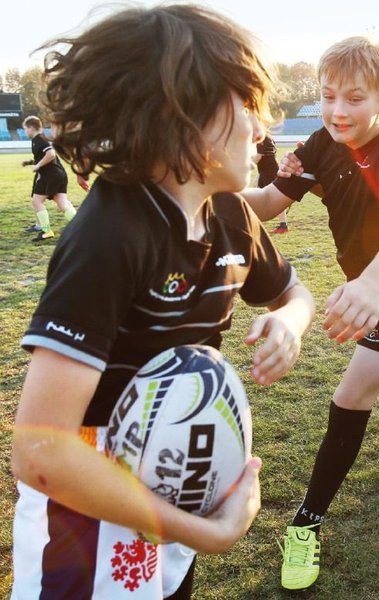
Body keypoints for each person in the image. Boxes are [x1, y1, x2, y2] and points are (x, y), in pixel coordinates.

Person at [11, 5, 315, 599]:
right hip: (87, 515)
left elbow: (294, 293)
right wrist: (209, 532)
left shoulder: (231, 214)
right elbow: (40, 449)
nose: (262, 128)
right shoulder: (109, 236)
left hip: (173, 480)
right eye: (246, 104)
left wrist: (288, 322)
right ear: (182, 115)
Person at [241, 36, 379, 591]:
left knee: (352, 390)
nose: (339, 110)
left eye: (355, 98)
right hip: (368, 285)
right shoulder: (320, 143)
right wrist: (200, 194)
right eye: (328, 96)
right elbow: (268, 203)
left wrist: (371, 284)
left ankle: (306, 523)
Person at [21, 115, 78, 241]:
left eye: (25, 129)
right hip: (59, 174)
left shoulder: (39, 139)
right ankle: (80, 226)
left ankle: (46, 231)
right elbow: (43, 156)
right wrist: (30, 162)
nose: (25, 131)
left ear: (31, 128)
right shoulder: (40, 139)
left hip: (50, 176)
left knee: (37, 202)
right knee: (62, 202)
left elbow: (51, 154)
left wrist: (38, 166)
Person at [255, 134, 289, 233]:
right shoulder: (267, 137)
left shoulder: (262, 137)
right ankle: (257, 223)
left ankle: (283, 225)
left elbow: (258, 156)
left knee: (274, 198)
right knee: (258, 194)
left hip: (268, 173)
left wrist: (246, 165)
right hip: (267, 171)